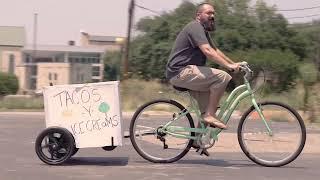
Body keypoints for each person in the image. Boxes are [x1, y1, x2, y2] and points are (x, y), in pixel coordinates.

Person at [166, 3, 241, 130]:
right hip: (181, 71)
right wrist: (228, 66)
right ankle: (210, 115)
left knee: (207, 107)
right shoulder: (195, 27)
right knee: (222, 77)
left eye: (213, 14)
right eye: (208, 13)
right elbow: (207, 51)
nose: (212, 16)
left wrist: (233, 63)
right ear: (198, 15)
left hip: (186, 72)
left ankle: (197, 140)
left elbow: (215, 50)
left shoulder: (203, 32)